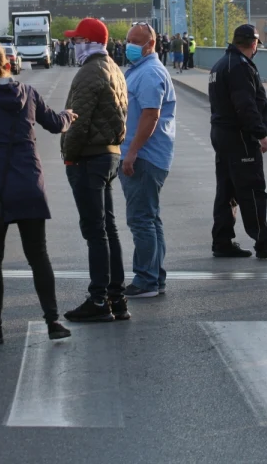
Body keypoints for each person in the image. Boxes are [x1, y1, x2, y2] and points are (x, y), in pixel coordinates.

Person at [0, 43, 75, 343]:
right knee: (38, 256)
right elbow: (54, 123)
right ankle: (53, 322)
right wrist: (69, 116)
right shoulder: (28, 94)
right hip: (28, 184)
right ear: (8, 66)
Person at [61, 18, 130, 322]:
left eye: (77, 41)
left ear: (88, 42)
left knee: (95, 232)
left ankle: (99, 299)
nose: (73, 46)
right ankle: (117, 298)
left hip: (89, 158)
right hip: (110, 154)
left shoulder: (88, 73)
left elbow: (78, 120)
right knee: (109, 229)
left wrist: (68, 155)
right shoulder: (114, 68)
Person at [208, 24, 267, 259]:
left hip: (222, 134)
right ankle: (263, 242)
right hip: (240, 136)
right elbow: (245, 104)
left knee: (226, 190)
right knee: (252, 189)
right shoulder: (239, 67)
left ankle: (222, 240)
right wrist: (260, 133)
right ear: (254, 44)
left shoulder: (220, 64)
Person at [119, 22, 175, 298]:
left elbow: (150, 116)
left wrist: (131, 153)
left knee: (141, 219)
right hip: (146, 156)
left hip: (144, 157)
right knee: (150, 218)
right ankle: (155, 276)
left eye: (135, 41)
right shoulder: (141, 70)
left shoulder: (150, 73)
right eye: (128, 40)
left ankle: (146, 280)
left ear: (150, 44)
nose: (129, 46)